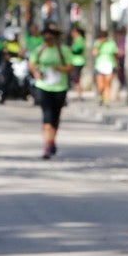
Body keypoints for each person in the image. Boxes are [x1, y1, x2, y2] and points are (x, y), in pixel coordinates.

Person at [28, 24, 76, 159]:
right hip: (43, 87)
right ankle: (47, 146)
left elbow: (71, 67)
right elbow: (32, 64)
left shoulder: (63, 50)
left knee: (55, 117)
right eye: (46, 39)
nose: (48, 41)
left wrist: (59, 69)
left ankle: (52, 140)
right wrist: (36, 73)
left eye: (50, 39)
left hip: (59, 87)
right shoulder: (39, 50)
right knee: (47, 117)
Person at [92, 29, 120, 106]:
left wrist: (117, 65)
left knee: (107, 83)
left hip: (110, 65)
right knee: (101, 85)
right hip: (99, 66)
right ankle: (101, 97)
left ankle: (106, 100)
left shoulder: (112, 43)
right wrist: (99, 45)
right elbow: (94, 53)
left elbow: (116, 55)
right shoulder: (97, 43)